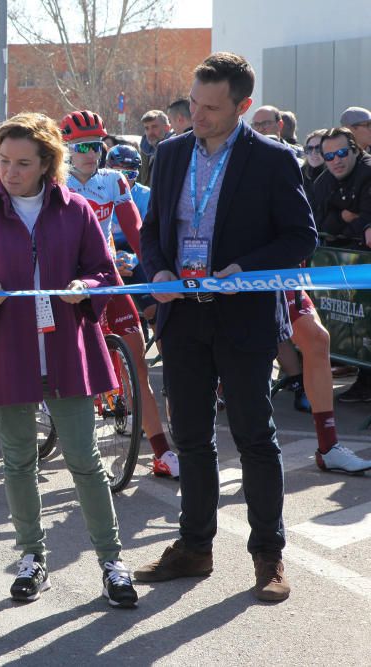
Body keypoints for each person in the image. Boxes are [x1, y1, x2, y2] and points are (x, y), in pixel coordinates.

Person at [135, 52, 318, 602]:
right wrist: (159, 269)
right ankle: (195, 546)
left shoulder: (273, 159)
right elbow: (150, 232)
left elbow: (299, 237)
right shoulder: (168, 155)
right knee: (190, 436)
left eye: (211, 107)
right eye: (193, 102)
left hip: (242, 316)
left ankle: (268, 554)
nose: (198, 115)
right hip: (183, 315)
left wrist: (247, 270)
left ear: (242, 106)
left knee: (254, 436)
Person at [0, 111, 139, 609]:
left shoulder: (76, 210)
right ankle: (32, 556)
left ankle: (111, 562)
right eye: (3, 161)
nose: (10, 172)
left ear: (47, 163)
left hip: (66, 349)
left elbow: (103, 272)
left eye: (22, 163)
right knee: (17, 461)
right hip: (5, 352)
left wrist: (87, 288)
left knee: (84, 458)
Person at [61, 111, 178, 479]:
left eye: (96, 146)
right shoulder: (54, 183)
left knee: (137, 358)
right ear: (66, 149)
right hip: (66, 282)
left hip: (107, 275)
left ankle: (161, 452)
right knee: (67, 363)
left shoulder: (113, 181)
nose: (90, 154)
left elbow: (138, 233)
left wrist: (156, 273)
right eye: (81, 147)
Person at [309, 126, 371, 404]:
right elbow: (317, 226)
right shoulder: (322, 182)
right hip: (341, 268)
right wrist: (343, 218)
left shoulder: (368, 173)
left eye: (343, 152)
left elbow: (367, 230)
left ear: (356, 150)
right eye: (329, 155)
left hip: (363, 266)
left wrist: (347, 220)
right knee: (347, 324)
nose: (336, 160)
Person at [137, 110, 172, 186]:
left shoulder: (173, 150)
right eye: (147, 128)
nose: (150, 132)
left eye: (154, 127)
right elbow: (139, 181)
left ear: (167, 128)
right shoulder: (144, 151)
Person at [301, 129, 328, 201]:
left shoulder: (336, 174)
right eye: (309, 148)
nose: (313, 152)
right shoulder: (299, 175)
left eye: (318, 148)